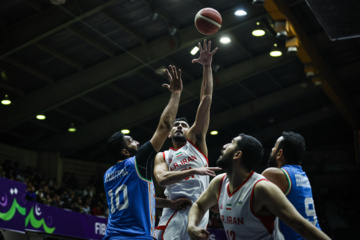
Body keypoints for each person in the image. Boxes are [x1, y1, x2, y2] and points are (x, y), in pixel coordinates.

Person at [187, 133, 331, 240]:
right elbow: (199, 205)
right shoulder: (219, 182)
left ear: (237, 154)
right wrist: (192, 226)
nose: (224, 146)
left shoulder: (262, 187)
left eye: (231, 143)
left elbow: (299, 224)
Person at [103, 65, 188, 239]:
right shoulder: (137, 163)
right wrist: (176, 93)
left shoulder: (108, 175)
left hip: (112, 236)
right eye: (131, 141)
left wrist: (169, 203)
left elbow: (139, 200)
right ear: (125, 152)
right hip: (136, 237)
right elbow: (165, 126)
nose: (137, 141)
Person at [153, 39, 221, 240]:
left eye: (184, 125)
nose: (180, 126)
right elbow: (162, 179)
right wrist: (193, 170)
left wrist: (207, 66)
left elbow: (206, 99)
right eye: (175, 125)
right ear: (168, 134)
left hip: (199, 212)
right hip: (174, 212)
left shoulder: (196, 141)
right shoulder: (163, 156)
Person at [262, 131, 322, 239]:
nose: (271, 150)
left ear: (279, 154)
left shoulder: (274, 174)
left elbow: (247, 200)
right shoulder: (302, 175)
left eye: (274, 147)